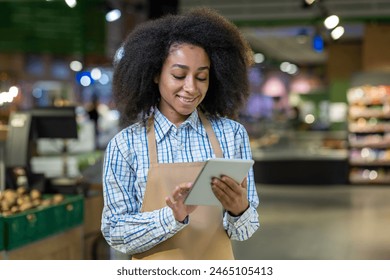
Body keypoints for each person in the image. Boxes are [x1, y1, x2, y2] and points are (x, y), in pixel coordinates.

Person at [101, 7, 260, 260]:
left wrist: (240, 211)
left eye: (202, 77)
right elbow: (114, 231)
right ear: (155, 74)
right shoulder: (126, 145)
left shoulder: (232, 135)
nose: (191, 87)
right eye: (179, 74)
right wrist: (172, 216)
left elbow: (246, 230)